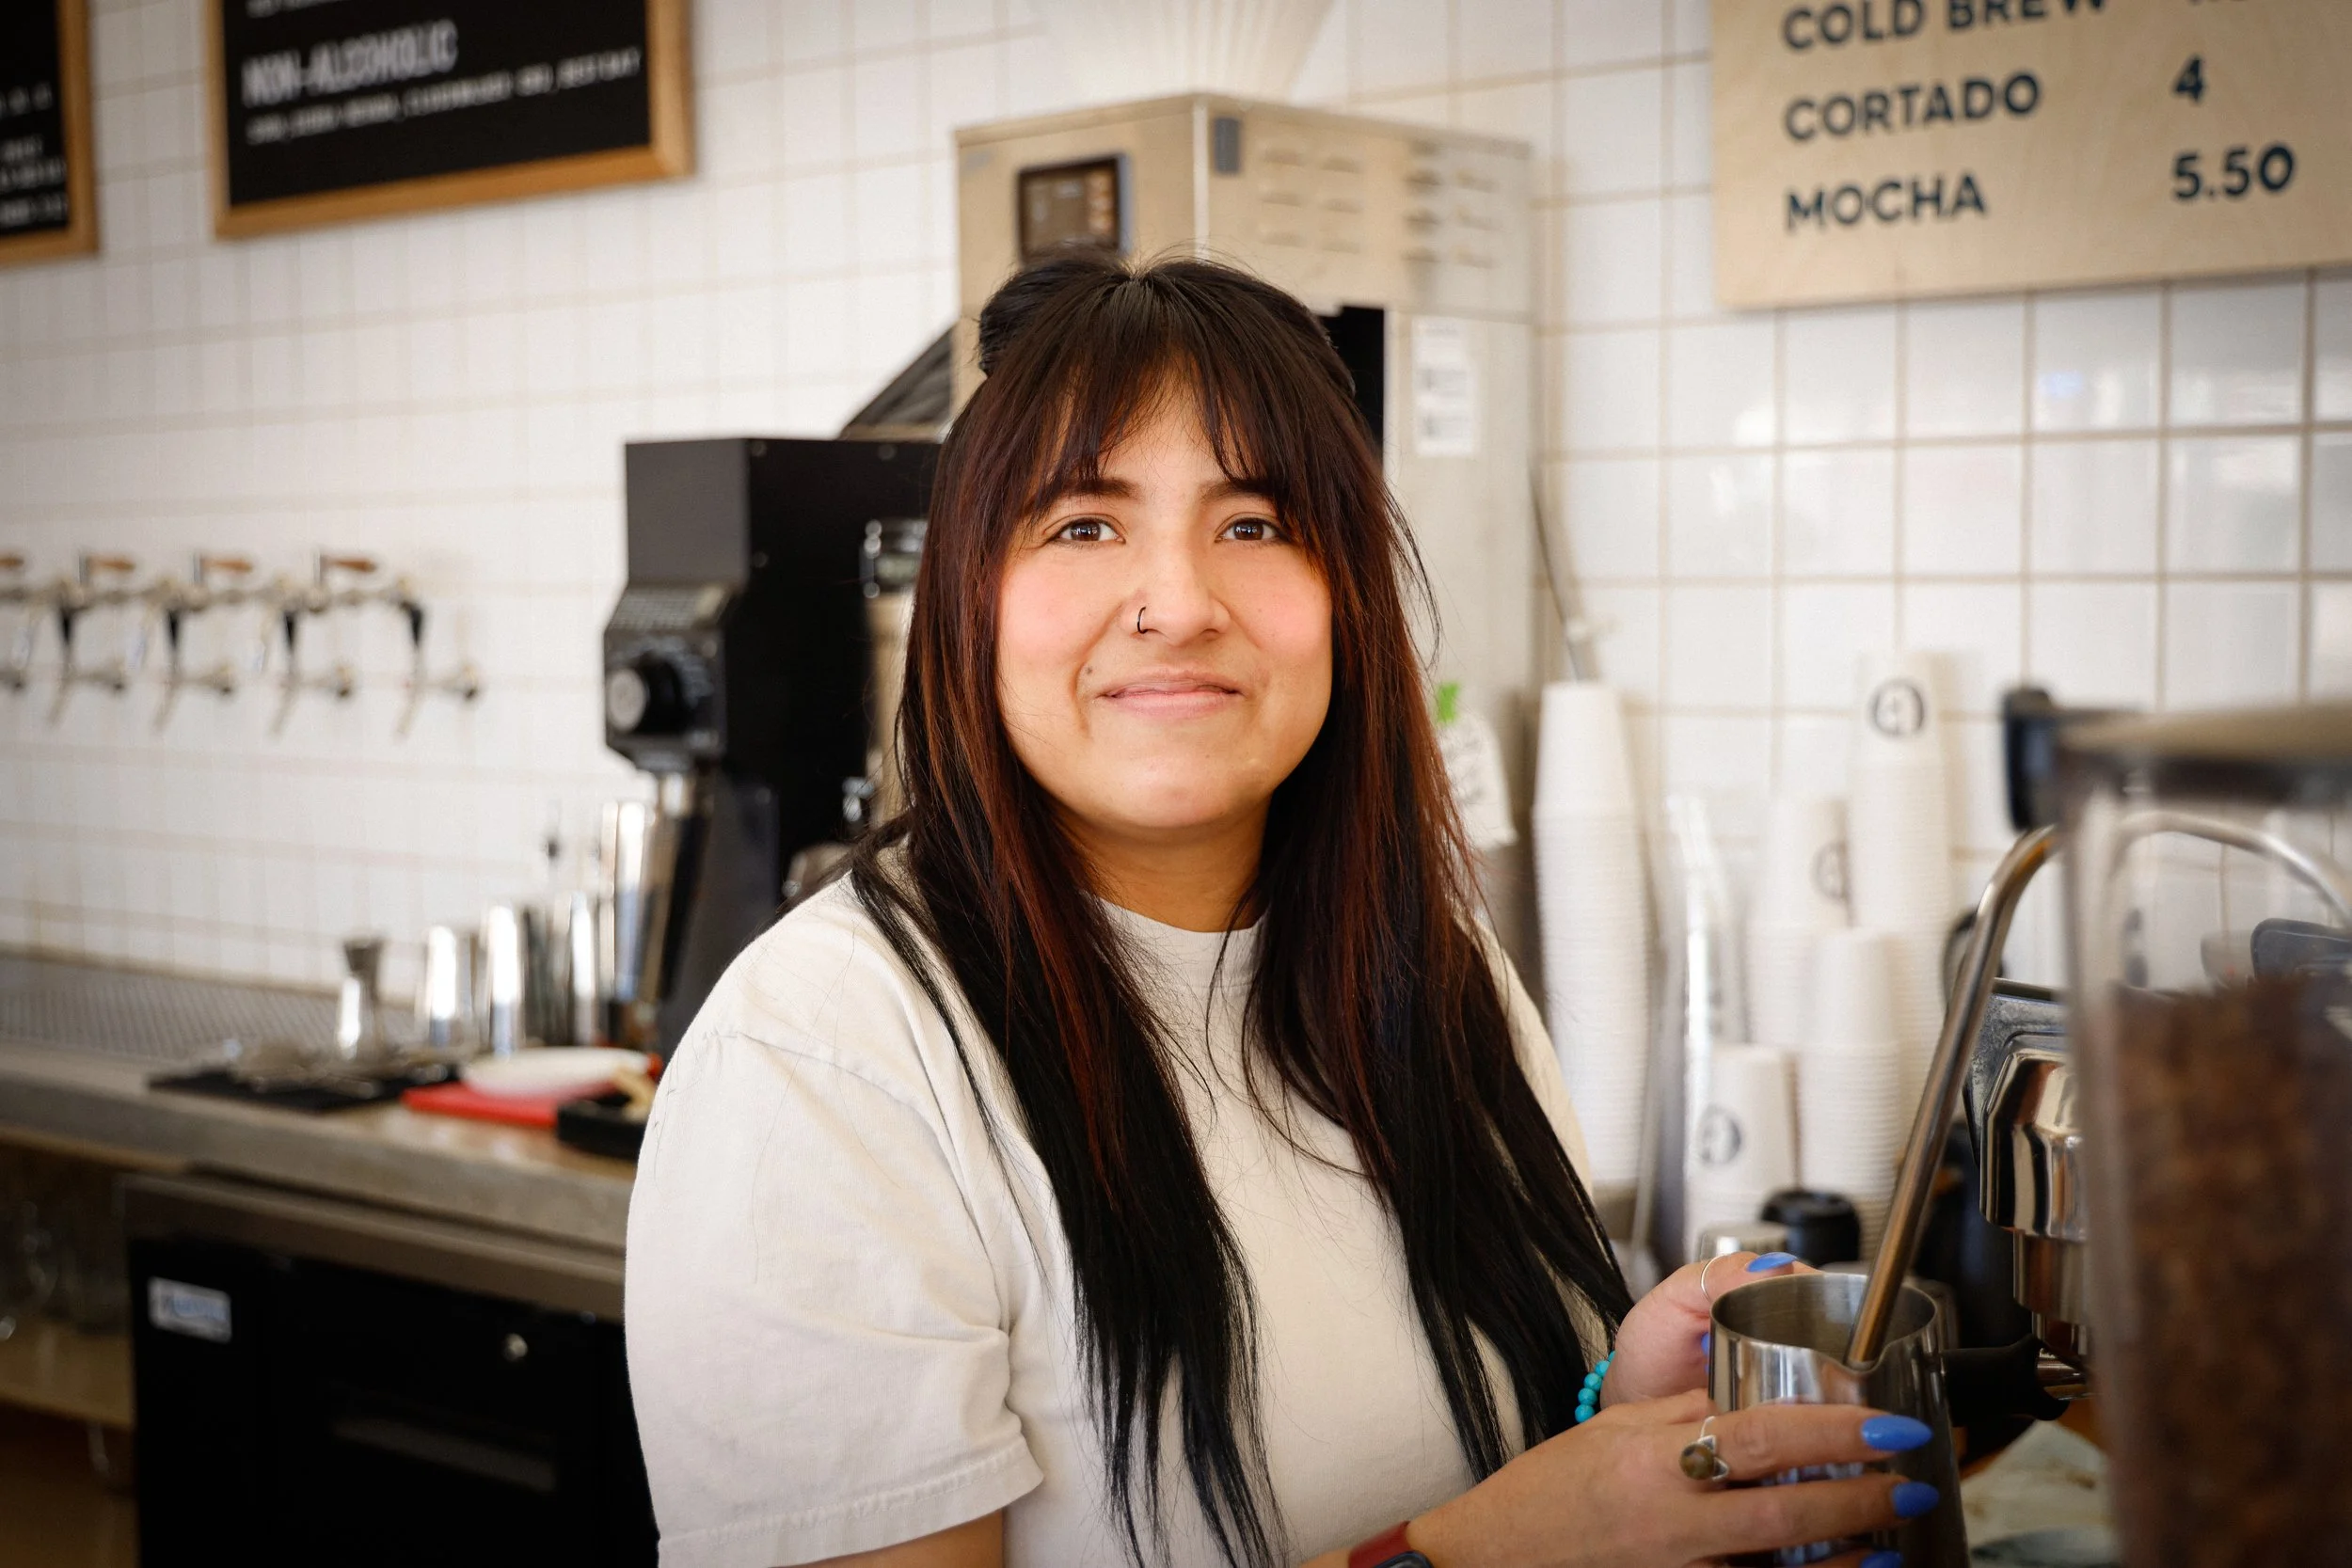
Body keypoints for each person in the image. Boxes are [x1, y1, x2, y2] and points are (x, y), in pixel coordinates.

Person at [624, 253, 1934, 1568]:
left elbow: (1497, 1479)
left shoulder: (1428, 960)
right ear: (968, 599)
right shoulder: (820, 1060)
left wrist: (1612, 1402)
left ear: (1345, 597)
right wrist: (1467, 1555)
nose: (1182, 602)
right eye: (1084, 524)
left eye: (1254, 524)